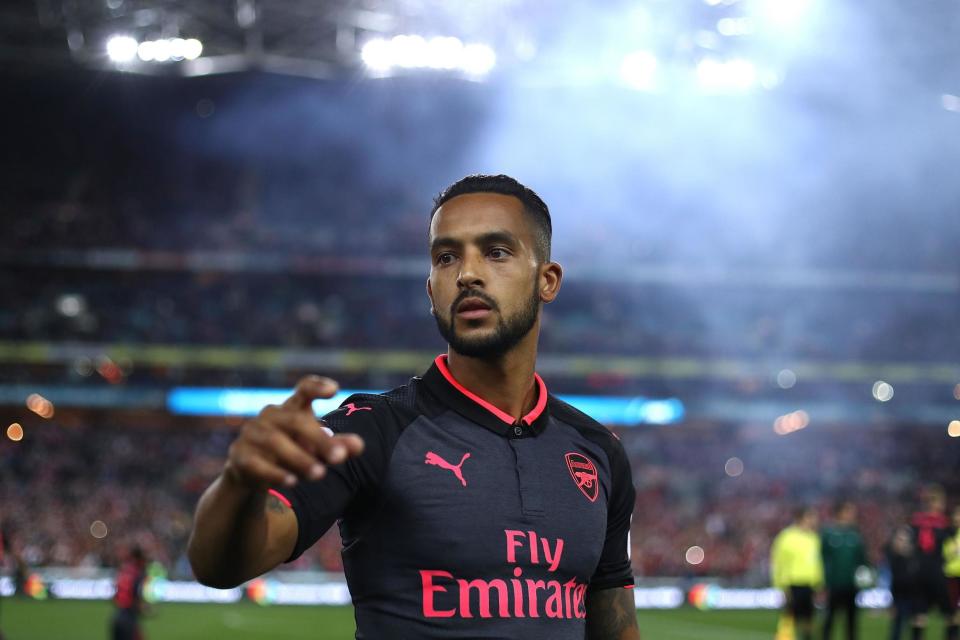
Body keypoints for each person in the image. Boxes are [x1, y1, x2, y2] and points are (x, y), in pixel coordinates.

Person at [187, 174, 641, 639]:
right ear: (430, 290)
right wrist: (238, 485)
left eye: (496, 251)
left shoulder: (599, 452)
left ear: (547, 280)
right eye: (446, 257)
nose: (466, 273)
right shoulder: (368, 432)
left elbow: (616, 625)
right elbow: (220, 564)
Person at [909, 485, 957, 640]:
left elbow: (909, 544)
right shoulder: (944, 524)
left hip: (919, 572)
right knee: (951, 614)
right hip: (939, 573)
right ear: (936, 503)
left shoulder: (916, 522)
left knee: (920, 615)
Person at [771, 506, 823, 640]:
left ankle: (807, 637)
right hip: (792, 582)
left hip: (810, 583)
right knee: (789, 615)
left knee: (809, 617)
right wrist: (780, 585)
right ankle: (784, 637)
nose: (814, 520)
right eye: (810, 517)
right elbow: (778, 562)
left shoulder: (814, 538)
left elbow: (818, 562)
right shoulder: (786, 537)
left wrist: (819, 583)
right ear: (801, 518)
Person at [821, 500, 869, 640]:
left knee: (852, 621)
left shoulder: (856, 534)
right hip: (834, 584)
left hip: (852, 585)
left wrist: (864, 580)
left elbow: (862, 560)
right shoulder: (829, 534)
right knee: (830, 618)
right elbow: (823, 558)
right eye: (849, 511)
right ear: (840, 513)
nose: (852, 514)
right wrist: (825, 581)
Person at [887, 525, 921, 640]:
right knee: (897, 627)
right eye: (899, 539)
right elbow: (895, 581)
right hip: (899, 597)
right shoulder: (894, 557)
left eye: (903, 540)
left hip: (915, 596)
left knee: (916, 626)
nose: (900, 543)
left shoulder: (916, 557)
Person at [111, 545, 147, 640]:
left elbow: (115, 595)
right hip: (129, 619)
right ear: (140, 559)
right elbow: (136, 596)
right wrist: (145, 609)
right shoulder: (139, 573)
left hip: (117, 617)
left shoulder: (123, 570)